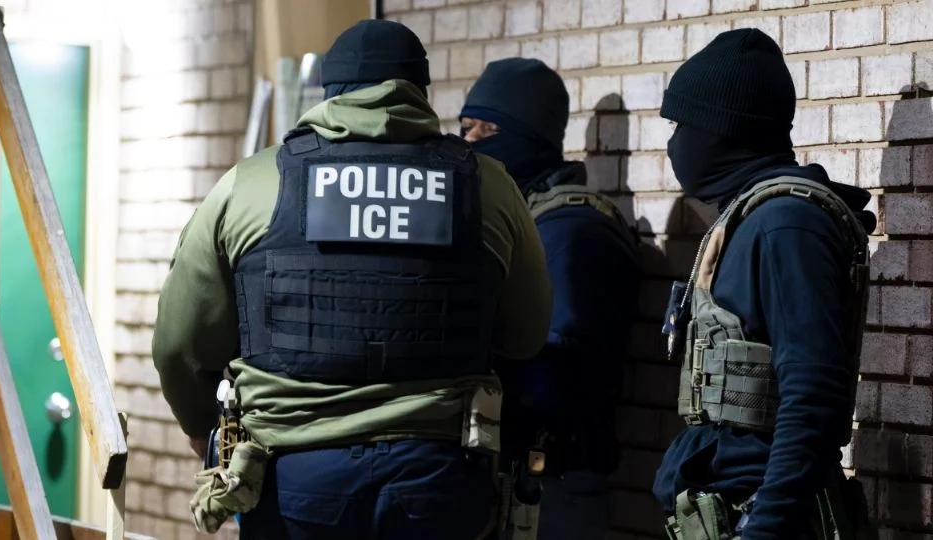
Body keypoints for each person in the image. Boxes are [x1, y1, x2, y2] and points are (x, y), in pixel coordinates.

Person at [151, 19, 554, 540]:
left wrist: (200, 427)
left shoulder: (250, 184)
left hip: (293, 478)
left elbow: (178, 345)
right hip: (438, 478)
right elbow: (526, 335)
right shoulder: (489, 185)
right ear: (418, 90)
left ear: (331, 91)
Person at [652, 28, 878, 540]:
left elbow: (812, 394)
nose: (674, 142)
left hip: (765, 518)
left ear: (721, 128)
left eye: (681, 123)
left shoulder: (786, 225)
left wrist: (766, 527)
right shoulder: (750, 217)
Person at [459, 57, 640, 540]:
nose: (470, 140)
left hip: (551, 483)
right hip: (508, 474)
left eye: (489, 128)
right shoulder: (516, 218)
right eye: (465, 126)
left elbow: (564, 377)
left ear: (531, 139)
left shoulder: (573, 232)